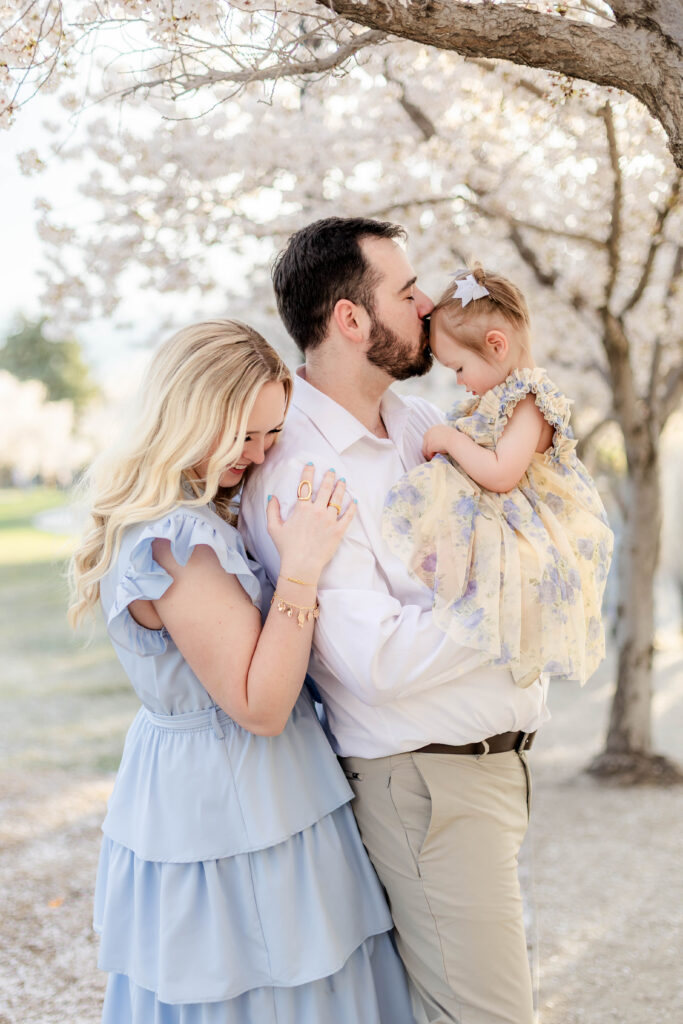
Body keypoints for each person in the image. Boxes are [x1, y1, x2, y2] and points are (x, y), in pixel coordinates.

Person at [240, 219, 548, 1024]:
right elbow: (372, 660)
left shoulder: (415, 426)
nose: (428, 304)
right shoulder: (302, 468)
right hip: (428, 785)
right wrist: (518, 602)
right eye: (407, 292)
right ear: (351, 320)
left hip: (484, 773)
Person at [68, 319, 415, 1024]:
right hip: (235, 797)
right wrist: (305, 569)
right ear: (189, 414)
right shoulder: (177, 542)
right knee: (269, 986)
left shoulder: (193, 515)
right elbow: (257, 705)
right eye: (242, 435)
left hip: (234, 782)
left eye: (270, 435)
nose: (256, 456)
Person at [383, 266, 614, 689]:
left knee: (513, 579)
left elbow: (502, 473)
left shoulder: (528, 400)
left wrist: (451, 440)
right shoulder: (503, 397)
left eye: (458, 367)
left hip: (537, 523)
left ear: (496, 345)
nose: (458, 382)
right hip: (513, 513)